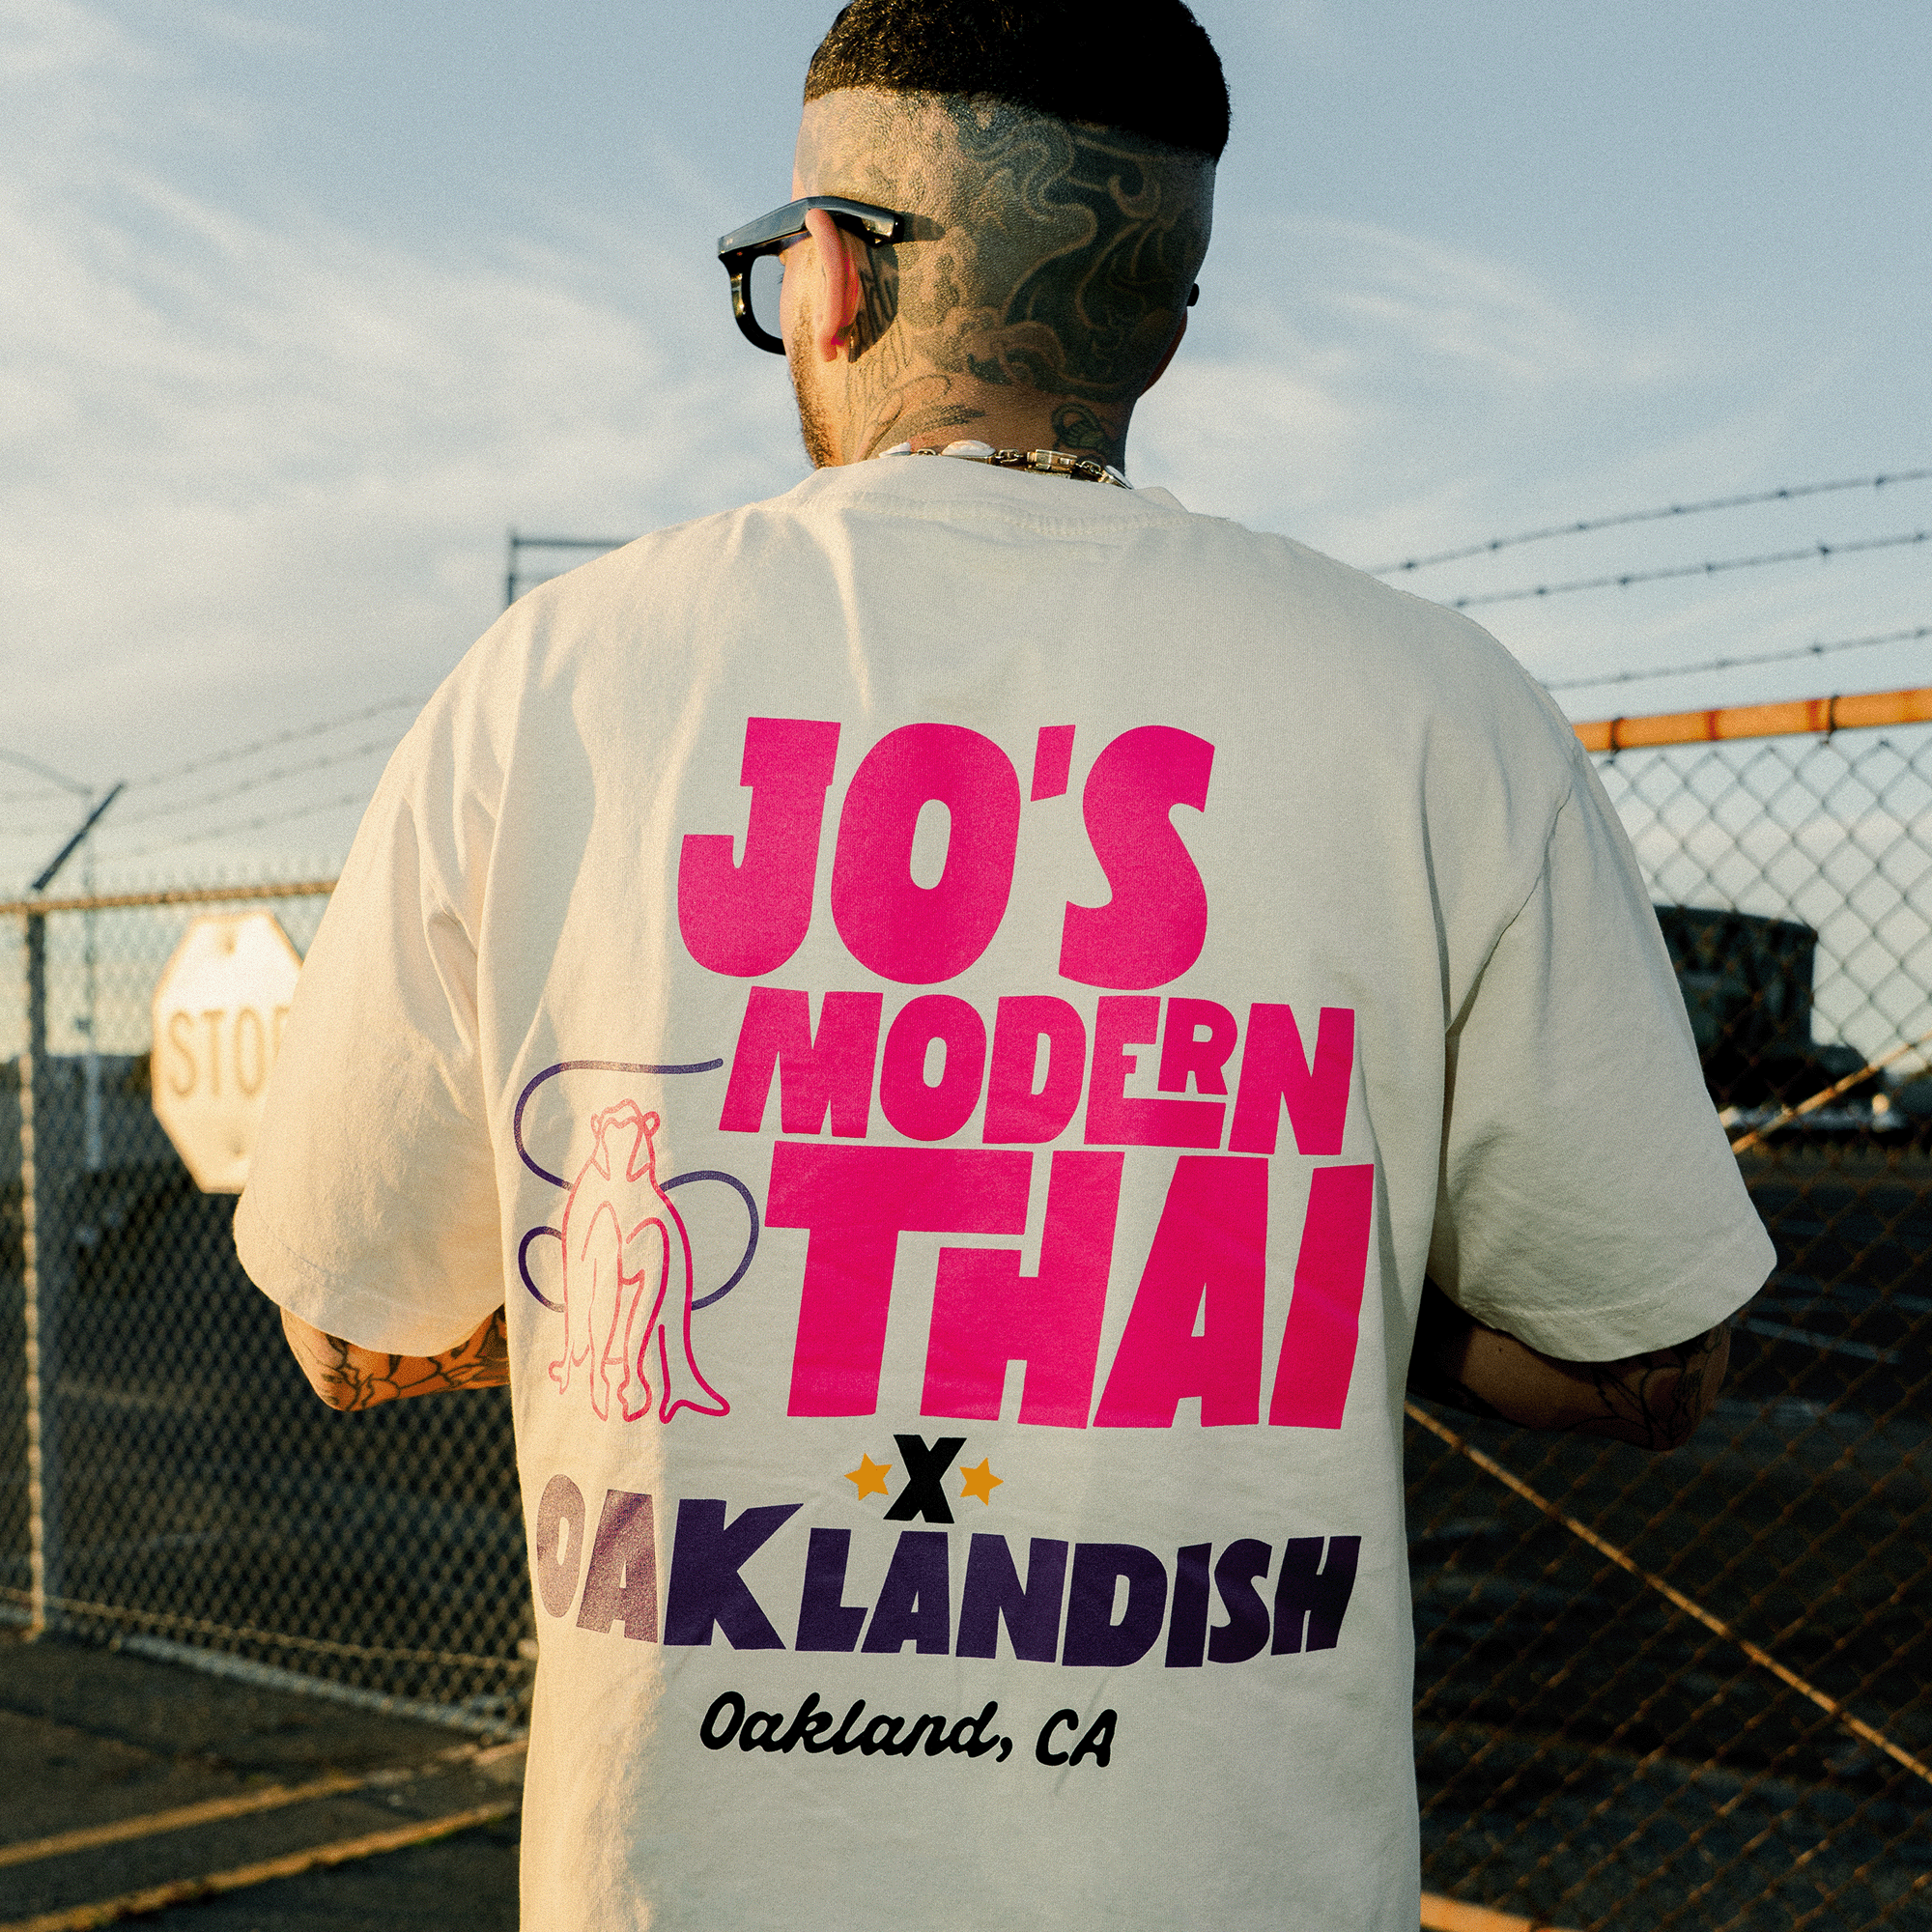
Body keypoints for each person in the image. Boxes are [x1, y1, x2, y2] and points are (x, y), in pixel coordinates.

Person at [235, 2, 1774, 1925]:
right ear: (1165, 314)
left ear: (831, 274)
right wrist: (1321, 1279)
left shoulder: (554, 687)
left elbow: (354, 1327)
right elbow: (1644, 1360)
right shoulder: (1435, 714)